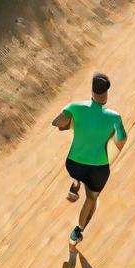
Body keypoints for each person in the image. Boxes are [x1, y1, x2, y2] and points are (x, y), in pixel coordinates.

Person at [53, 72, 128, 245]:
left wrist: (72, 125)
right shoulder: (114, 117)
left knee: (78, 172)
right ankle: (76, 233)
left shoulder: (75, 107)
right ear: (106, 93)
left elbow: (57, 122)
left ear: (92, 90)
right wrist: (110, 140)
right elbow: (122, 140)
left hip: (73, 164)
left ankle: (76, 181)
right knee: (92, 199)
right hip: (97, 168)